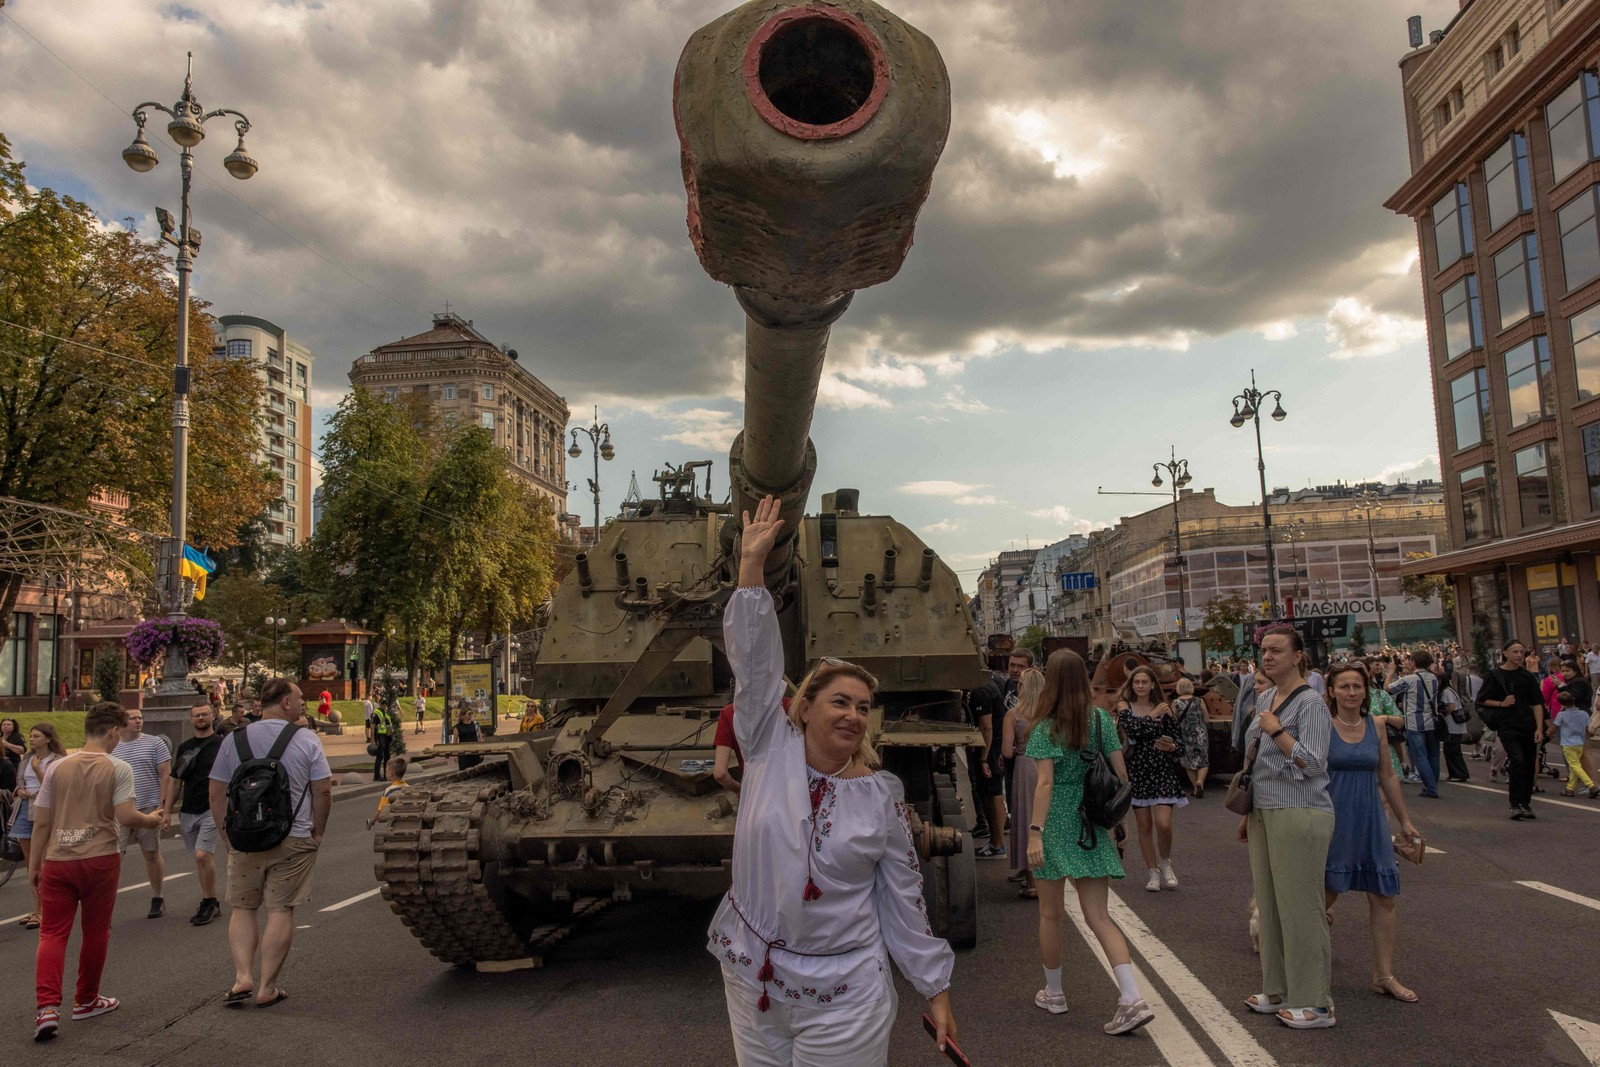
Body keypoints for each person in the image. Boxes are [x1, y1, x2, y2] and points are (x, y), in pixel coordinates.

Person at [709, 495, 957, 1063]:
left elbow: (903, 898)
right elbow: (754, 666)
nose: (853, 714)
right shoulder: (768, 751)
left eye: (863, 707)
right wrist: (751, 570)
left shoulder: (880, 795)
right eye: (840, 701)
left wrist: (934, 987)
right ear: (804, 707)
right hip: (754, 984)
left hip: (845, 998)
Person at [1025, 648, 1154, 1034]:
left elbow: (1045, 783)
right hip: (1092, 821)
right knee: (1100, 916)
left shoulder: (1044, 727)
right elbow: (1120, 772)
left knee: (1050, 914)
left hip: (1055, 822)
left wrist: (1034, 832)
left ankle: (1054, 993)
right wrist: (1118, 820)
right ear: (1083, 678)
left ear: (1050, 680)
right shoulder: (1099, 719)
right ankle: (1131, 997)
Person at [29, 702, 163, 1042]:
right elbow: (127, 815)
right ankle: (86, 1000)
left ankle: (46, 1008)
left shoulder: (58, 768)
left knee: (52, 933)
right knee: (95, 931)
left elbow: (42, 820)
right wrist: (153, 819)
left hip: (59, 857)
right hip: (100, 857)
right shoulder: (118, 767)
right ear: (114, 731)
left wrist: (35, 864)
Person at [207, 677, 332, 1008]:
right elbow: (323, 790)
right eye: (300, 697)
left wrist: (226, 834)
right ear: (286, 703)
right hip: (293, 836)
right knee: (280, 909)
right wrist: (317, 831)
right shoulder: (306, 739)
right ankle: (267, 987)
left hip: (245, 837)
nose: (304, 701)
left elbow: (217, 791)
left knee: (243, 907)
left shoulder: (234, 740)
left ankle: (242, 977)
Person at [1238, 624, 1335, 1029]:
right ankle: (1277, 987)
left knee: (1301, 907)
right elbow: (1252, 759)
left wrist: (1276, 730)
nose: (1268, 656)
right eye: (1264, 650)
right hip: (1264, 808)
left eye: (1277, 650)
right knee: (1272, 905)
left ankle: (1316, 1001)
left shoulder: (1311, 703)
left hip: (1300, 809)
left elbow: (1313, 764)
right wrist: (1247, 812)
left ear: (1298, 656)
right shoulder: (1264, 695)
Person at [1322, 664, 1421, 1004]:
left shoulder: (1376, 725)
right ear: (1331, 691)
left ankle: (1384, 975)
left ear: (1366, 691)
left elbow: (1388, 775)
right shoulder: (1322, 725)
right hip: (1333, 818)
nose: (1351, 692)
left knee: (1383, 896)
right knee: (1324, 896)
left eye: (1357, 686)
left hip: (1371, 819)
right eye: (1344, 686)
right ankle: (1307, 971)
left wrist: (1405, 822)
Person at [1115, 665, 1186, 892]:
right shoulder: (1124, 706)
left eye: (1145, 682)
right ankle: (1152, 872)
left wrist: (1172, 746)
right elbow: (1132, 729)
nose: (1141, 686)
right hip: (1137, 770)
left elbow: (1180, 745)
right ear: (1132, 685)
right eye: (1137, 682)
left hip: (1162, 770)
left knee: (1163, 824)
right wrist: (1152, 716)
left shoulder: (1165, 709)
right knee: (1144, 826)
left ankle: (1165, 862)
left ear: (1153, 684)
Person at [167, 703, 225, 926]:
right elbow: (175, 780)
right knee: (200, 859)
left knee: (203, 855)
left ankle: (210, 901)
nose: (201, 717)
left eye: (205, 714)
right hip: (188, 810)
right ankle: (208, 900)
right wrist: (167, 812)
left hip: (212, 809)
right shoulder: (185, 747)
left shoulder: (221, 745)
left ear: (213, 716)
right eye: (196, 715)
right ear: (191, 719)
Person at [1476, 640, 1547, 820]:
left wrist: (1539, 728)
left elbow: (1537, 703)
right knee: (1517, 760)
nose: (1518, 655)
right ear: (1505, 653)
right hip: (1507, 725)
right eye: (1514, 652)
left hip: (1527, 725)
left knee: (1529, 764)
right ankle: (1515, 804)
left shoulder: (1527, 676)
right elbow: (1482, 700)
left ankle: (1525, 803)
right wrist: (1502, 703)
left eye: (1521, 652)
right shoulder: (1494, 674)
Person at [111, 707, 171, 918]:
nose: (138, 721)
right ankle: (105, 903)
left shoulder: (155, 743)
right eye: (132, 718)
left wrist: (162, 807)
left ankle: (158, 896)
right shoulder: (112, 746)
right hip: (119, 809)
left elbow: (165, 775)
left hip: (148, 806)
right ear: (122, 722)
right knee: (113, 856)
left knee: (151, 853)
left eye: (140, 718)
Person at [12, 724, 67, 930]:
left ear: (48, 739)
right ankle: (36, 908)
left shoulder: (58, 760)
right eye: (31, 736)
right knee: (31, 864)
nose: (32, 739)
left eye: (36, 736)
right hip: (26, 807)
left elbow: (55, 787)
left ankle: (44, 910)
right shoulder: (26, 758)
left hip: (44, 809)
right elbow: (18, 782)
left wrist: (38, 770)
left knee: (44, 862)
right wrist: (20, 790)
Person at [1001, 666, 1045, 899]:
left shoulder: (1013, 714)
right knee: (1048, 818)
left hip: (1025, 766)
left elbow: (1007, 752)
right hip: (1048, 765)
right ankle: (1050, 876)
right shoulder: (1050, 714)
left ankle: (1032, 882)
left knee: (1026, 818)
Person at [1387, 651, 1442, 799]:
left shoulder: (1409, 679)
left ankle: (1430, 788)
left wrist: (1391, 671)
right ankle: (1432, 784)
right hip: (1432, 721)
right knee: (1434, 755)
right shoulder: (1434, 678)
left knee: (1421, 757)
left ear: (1414, 663)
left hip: (1414, 722)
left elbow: (1388, 689)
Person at [968, 674, 1008, 860]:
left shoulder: (980, 690)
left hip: (990, 747)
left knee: (993, 794)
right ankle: (994, 841)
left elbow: (987, 727)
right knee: (989, 793)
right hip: (992, 746)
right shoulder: (991, 683)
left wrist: (984, 758)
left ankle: (997, 845)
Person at [1553, 687, 1600, 798]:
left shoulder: (1561, 715)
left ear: (1561, 704)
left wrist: (1549, 732)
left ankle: (1592, 786)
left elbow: (1555, 727)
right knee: (1575, 766)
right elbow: (1588, 728)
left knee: (1574, 765)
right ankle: (1570, 789)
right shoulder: (1583, 714)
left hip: (1568, 744)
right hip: (1580, 743)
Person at [1171, 677, 1210, 799]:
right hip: (1200, 733)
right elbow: (1207, 719)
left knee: (1188, 762)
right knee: (1203, 760)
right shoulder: (1199, 701)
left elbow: (1174, 721)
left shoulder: (1175, 703)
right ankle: (1200, 782)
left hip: (1185, 735)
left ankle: (1195, 787)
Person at [367, 756, 408, 829]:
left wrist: (371, 821)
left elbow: (381, 810)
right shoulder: (408, 787)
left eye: (386, 770)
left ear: (390, 773)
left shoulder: (389, 790)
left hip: (393, 824)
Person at [713, 701, 743, 795]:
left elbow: (720, 774)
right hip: (786, 793)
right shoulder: (786, 706)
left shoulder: (729, 713)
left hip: (753, 793)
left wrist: (739, 790)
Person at [366, 695, 394, 782]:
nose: (384, 705)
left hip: (387, 737)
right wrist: (373, 739)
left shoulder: (386, 713)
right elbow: (372, 727)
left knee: (387, 756)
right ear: (379, 703)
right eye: (383, 703)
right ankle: (377, 775)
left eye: (386, 703)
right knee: (380, 756)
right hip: (380, 736)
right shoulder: (376, 713)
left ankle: (386, 775)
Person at [454, 704, 482, 769]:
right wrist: (455, 755)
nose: (471, 715)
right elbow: (455, 742)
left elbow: (480, 738)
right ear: (463, 715)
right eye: (469, 713)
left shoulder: (475, 725)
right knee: (464, 769)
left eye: (472, 713)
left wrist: (481, 752)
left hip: (474, 751)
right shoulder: (458, 727)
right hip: (463, 753)